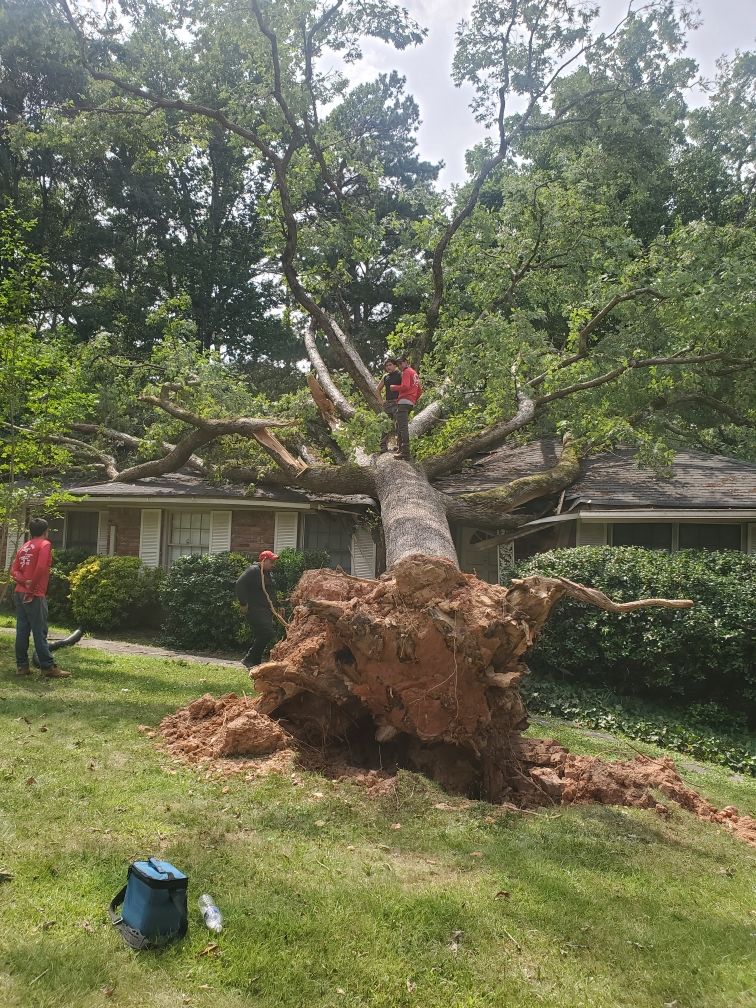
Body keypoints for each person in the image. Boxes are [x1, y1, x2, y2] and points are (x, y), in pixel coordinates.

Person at [10, 517, 70, 678]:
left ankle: (22, 667)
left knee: (22, 630)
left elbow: (14, 570)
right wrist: (31, 588)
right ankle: (48, 667)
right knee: (39, 631)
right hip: (34, 594)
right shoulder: (45, 544)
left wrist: (24, 582)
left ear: (30, 531)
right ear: (46, 531)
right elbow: (42, 567)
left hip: (18, 592)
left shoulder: (24, 547)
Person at [235, 549, 281, 670]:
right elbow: (239, 584)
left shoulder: (267, 573)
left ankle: (254, 661)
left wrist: (278, 606)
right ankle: (249, 659)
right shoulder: (253, 570)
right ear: (264, 560)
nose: (273, 564)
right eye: (271, 562)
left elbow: (270, 592)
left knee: (263, 634)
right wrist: (243, 603)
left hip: (265, 610)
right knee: (267, 633)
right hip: (255, 609)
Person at [392, 354, 422, 460]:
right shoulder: (414, 373)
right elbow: (420, 390)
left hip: (404, 401)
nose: (399, 366)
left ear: (406, 362)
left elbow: (405, 386)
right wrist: (413, 400)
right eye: (398, 364)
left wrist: (394, 387)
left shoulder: (406, 372)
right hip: (410, 402)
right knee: (399, 424)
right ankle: (400, 447)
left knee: (402, 426)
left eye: (401, 363)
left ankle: (405, 451)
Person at [377, 356, 403, 452]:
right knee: (385, 425)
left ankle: (399, 446)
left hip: (398, 403)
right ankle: (383, 447)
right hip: (388, 404)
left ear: (395, 365)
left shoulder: (400, 374)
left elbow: (405, 387)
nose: (388, 367)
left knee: (398, 425)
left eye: (390, 365)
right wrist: (381, 401)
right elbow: (378, 389)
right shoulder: (385, 377)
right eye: (386, 366)